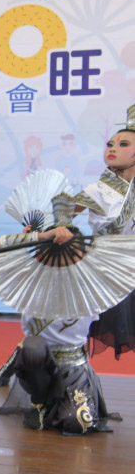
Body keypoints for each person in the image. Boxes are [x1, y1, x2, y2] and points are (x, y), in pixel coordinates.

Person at [0, 195, 119, 435]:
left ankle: (60, 404)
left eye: (72, 250)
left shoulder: (94, 280)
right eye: (51, 249)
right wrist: (39, 236)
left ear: (83, 252)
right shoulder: (30, 277)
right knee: (31, 346)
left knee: (78, 424)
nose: (62, 254)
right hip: (38, 361)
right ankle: (39, 402)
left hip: (74, 367)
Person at [83, 120, 135, 358]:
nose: (112, 148)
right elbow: (62, 209)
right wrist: (49, 228)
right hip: (102, 271)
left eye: (123, 144)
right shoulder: (99, 190)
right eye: (110, 144)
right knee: (67, 332)